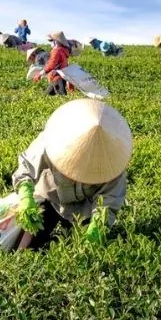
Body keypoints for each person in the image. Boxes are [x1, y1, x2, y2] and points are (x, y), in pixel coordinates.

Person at [13, 99, 132, 250]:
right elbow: (26, 167)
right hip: (50, 197)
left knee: (80, 249)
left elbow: (108, 203)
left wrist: (95, 231)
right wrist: (26, 197)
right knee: (26, 246)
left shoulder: (113, 164)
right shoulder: (51, 141)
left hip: (84, 210)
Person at [36, 31, 73, 96]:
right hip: (58, 78)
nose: (51, 43)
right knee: (46, 96)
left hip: (57, 78)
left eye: (51, 41)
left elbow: (51, 65)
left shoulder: (57, 51)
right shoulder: (63, 51)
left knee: (61, 98)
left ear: (56, 41)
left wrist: (40, 74)